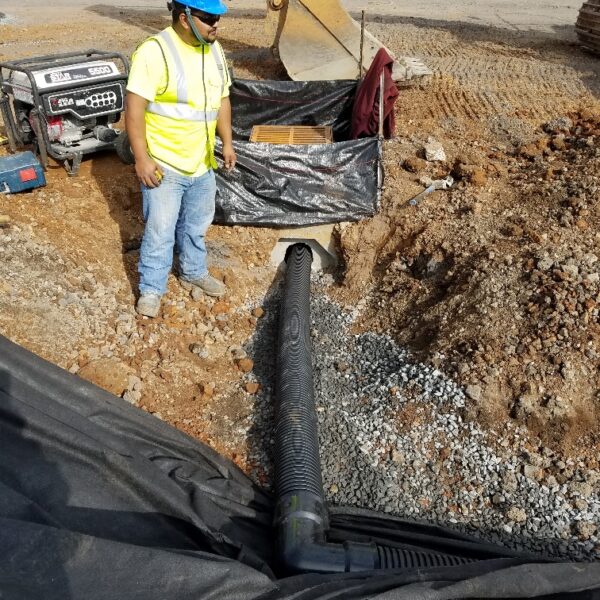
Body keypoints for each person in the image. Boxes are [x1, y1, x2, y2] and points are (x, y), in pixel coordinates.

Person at [125, 0, 236, 318]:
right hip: (165, 164)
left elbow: (222, 99)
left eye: (218, 17)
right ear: (185, 18)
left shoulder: (214, 49)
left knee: (196, 225)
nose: (216, 23)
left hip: (202, 162)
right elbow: (134, 109)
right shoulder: (155, 51)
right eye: (209, 17)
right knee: (160, 230)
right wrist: (142, 159)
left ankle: (193, 271)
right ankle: (151, 289)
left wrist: (226, 142)